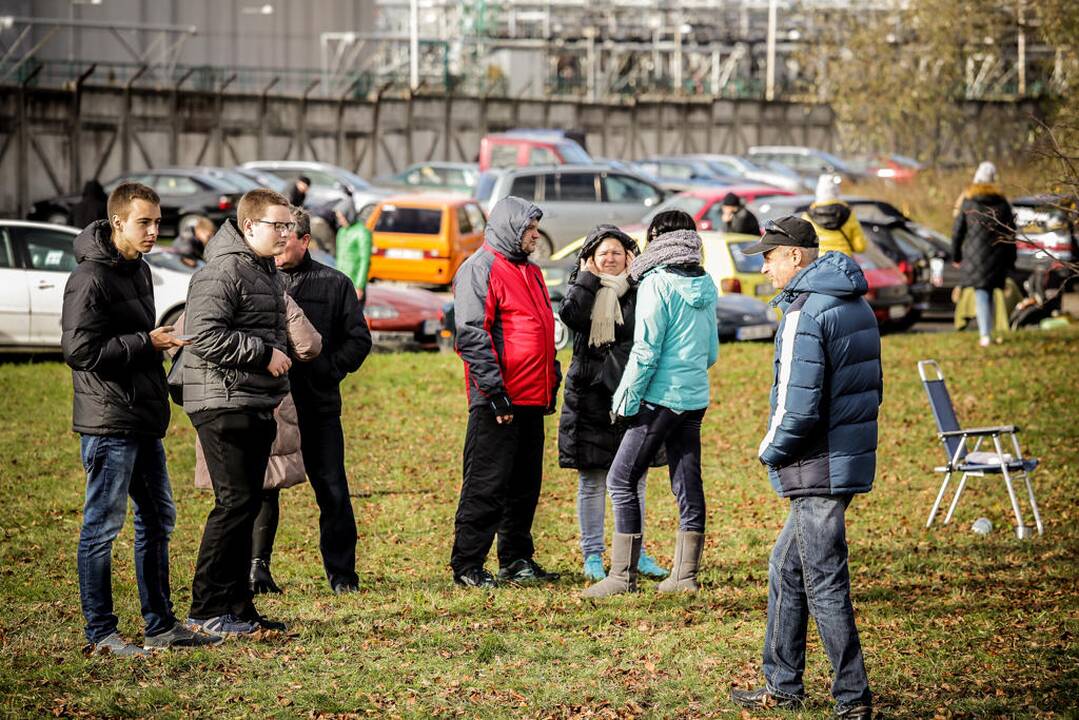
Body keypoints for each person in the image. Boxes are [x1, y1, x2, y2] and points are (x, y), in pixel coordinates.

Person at [730, 215, 879, 720]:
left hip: (817, 463)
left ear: (796, 256)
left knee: (824, 580)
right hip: (841, 457)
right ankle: (782, 683)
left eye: (769, 257)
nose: (765, 267)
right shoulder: (850, 299)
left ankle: (852, 697)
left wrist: (769, 449)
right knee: (785, 566)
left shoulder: (805, 312)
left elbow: (798, 405)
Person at [61, 182, 218, 655]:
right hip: (108, 421)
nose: (154, 231)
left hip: (141, 416)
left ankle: (161, 625)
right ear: (117, 223)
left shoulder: (139, 269)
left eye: (157, 221)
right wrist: (146, 343)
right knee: (101, 527)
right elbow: (80, 351)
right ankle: (102, 633)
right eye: (143, 222)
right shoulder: (90, 277)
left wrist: (156, 349)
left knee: (158, 517)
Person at [583, 210, 718, 598]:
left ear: (657, 238)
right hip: (694, 397)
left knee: (620, 479)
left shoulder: (656, 283)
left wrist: (625, 399)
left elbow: (645, 351)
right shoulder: (705, 282)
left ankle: (622, 576)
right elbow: (710, 351)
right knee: (686, 482)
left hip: (660, 398)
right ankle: (685, 577)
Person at [181, 188, 294, 637]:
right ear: (249, 226)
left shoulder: (263, 269)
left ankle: (239, 608)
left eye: (288, 225)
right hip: (221, 401)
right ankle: (206, 608)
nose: (285, 233)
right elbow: (203, 335)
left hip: (254, 400)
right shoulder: (223, 269)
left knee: (246, 505)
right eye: (277, 225)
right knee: (233, 505)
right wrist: (263, 353)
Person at [172, 292, 322, 596]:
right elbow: (308, 345)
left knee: (229, 496)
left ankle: (225, 576)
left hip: (218, 398)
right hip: (267, 399)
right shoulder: (276, 296)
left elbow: (179, 338)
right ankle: (257, 566)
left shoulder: (211, 291)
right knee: (265, 489)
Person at [450, 195, 562, 589]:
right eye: (530, 229)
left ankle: (516, 557)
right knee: (487, 483)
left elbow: (540, 328)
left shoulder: (529, 271)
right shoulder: (480, 269)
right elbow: (471, 333)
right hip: (498, 399)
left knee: (524, 485)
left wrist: (552, 372)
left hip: (532, 397)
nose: (536, 236)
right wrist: (494, 391)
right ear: (513, 229)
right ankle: (467, 564)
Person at [557, 225, 669, 582]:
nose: (610, 258)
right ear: (591, 256)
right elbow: (571, 316)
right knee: (592, 480)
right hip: (589, 395)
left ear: (628, 257)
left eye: (617, 253)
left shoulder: (641, 289)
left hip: (631, 393)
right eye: (603, 252)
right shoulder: (581, 286)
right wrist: (589, 279)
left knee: (633, 479)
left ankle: (634, 552)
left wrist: (635, 277)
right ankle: (592, 554)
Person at [277, 207, 373, 594]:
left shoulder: (334, 284)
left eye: (286, 242)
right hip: (271, 404)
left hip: (318, 405)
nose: (278, 250)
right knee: (262, 491)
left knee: (332, 489)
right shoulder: (260, 280)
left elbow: (359, 339)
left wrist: (331, 368)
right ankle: (256, 569)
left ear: (305, 241)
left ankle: (342, 573)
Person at [951, 161, 1017, 348]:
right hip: (997, 256)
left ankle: (985, 334)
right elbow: (1011, 234)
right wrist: (1011, 261)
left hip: (975, 257)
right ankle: (988, 332)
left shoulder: (969, 201)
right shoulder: (1002, 203)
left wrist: (956, 256)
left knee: (982, 293)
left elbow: (957, 232)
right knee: (989, 292)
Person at [803, 174, 866, 256]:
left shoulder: (808, 216)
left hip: (819, 264)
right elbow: (860, 247)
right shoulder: (849, 214)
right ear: (837, 192)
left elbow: (805, 246)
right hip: (843, 263)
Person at [335, 204, 373, 310]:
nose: (339, 220)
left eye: (341, 217)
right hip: (341, 282)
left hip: (354, 283)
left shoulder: (362, 232)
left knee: (353, 320)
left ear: (348, 215)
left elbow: (365, 261)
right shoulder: (342, 231)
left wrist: (359, 286)